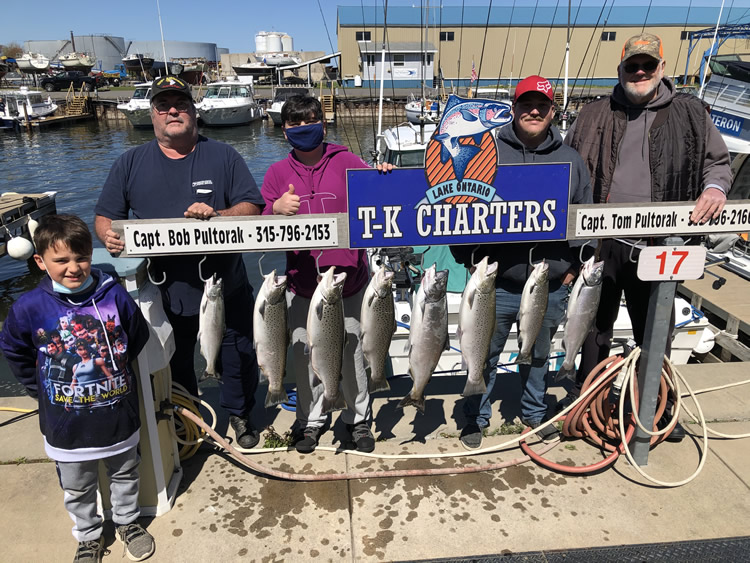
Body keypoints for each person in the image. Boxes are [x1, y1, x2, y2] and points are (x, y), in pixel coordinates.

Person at [563, 33, 732, 442]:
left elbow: (718, 163)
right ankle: (587, 402)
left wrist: (716, 189)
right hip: (602, 243)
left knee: (655, 326)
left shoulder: (691, 113)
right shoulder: (593, 113)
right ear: (620, 70)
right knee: (593, 327)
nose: (639, 72)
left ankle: (656, 407)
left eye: (648, 66)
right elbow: (563, 165)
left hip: (658, 242)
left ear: (661, 69)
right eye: (631, 66)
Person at [94, 75, 265, 449]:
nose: (173, 111)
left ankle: (239, 414)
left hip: (223, 286)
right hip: (163, 291)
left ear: (193, 111)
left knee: (238, 357)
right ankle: (190, 418)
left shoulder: (223, 155)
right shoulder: (130, 162)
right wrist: (108, 235)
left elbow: (252, 206)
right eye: (163, 106)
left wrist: (219, 215)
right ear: (152, 114)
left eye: (181, 104)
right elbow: (106, 216)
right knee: (174, 362)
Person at [0, 214, 154, 562]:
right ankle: (88, 536)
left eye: (81, 257)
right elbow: (14, 349)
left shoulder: (114, 293)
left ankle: (128, 523)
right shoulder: (28, 307)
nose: (74, 267)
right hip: (65, 427)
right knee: (77, 485)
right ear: (40, 262)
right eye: (61, 260)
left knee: (126, 473)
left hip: (118, 418)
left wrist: (115, 372)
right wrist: (38, 388)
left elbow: (137, 334)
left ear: (91, 254)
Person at [450, 75, 593, 450]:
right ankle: (475, 417)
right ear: (513, 109)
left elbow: (585, 218)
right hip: (495, 284)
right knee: (482, 355)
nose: (534, 111)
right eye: (527, 104)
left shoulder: (571, 159)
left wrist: (575, 269)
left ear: (552, 112)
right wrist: (467, 258)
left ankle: (533, 414)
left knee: (538, 356)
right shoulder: (487, 153)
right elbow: (456, 207)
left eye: (542, 106)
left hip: (549, 284)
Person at [261, 95, 390, 454]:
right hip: (302, 284)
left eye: (310, 120)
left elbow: (380, 197)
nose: (304, 128)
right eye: (295, 123)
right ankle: (312, 420)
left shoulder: (347, 160)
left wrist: (384, 177)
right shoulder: (276, 173)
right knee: (307, 354)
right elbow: (258, 224)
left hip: (348, 282)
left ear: (322, 122)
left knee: (351, 354)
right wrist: (275, 209)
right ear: (284, 129)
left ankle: (358, 419)